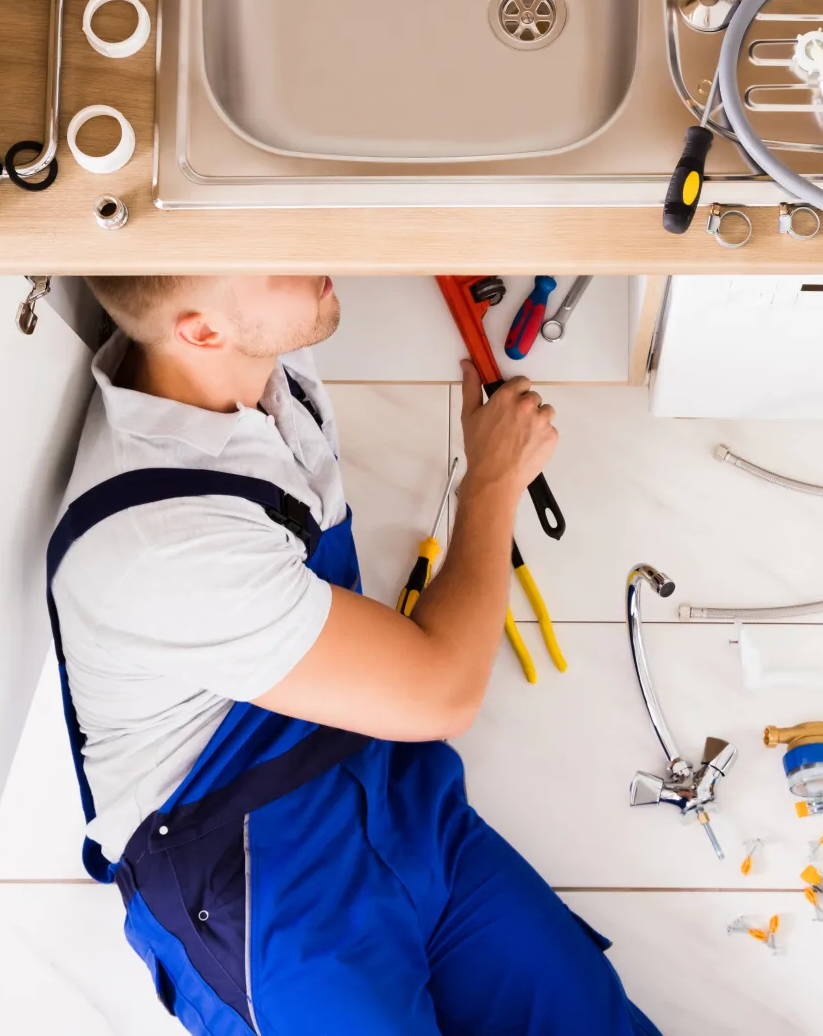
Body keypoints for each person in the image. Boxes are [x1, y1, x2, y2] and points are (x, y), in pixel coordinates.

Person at [49, 274, 661, 1036]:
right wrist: (493, 483)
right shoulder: (162, 544)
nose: (315, 258)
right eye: (278, 262)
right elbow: (442, 691)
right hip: (257, 886)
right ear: (201, 331)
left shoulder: (255, 367)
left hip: (390, 793)